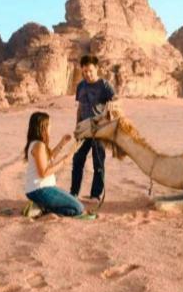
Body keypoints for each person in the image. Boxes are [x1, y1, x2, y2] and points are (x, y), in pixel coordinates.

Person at [23, 111, 94, 219]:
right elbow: (44, 173)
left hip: (41, 188)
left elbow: (49, 158)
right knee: (78, 208)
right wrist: (65, 161)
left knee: (75, 205)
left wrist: (62, 143)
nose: (51, 128)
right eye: (49, 125)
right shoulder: (39, 145)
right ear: (42, 127)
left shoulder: (37, 144)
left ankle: (42, 207)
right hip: (40, 190)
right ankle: (42, 208)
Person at [71, 55, 116, 203]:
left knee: (98, 163)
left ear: (96, 69)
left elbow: (116, 100)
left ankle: (95, 195)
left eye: (90, 71)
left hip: (99, 130)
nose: (87, 75)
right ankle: (73, 193)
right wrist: (77, 127)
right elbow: (79, 108)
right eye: (84, 72)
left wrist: (112, 105)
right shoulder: (80, 86)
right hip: (84, 130)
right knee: (77, 160)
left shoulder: (104, 85)